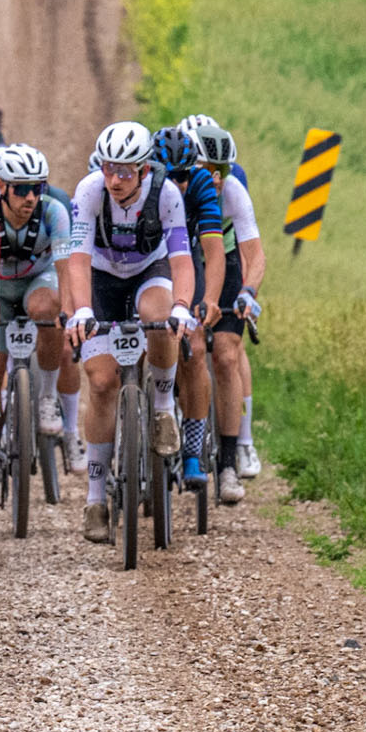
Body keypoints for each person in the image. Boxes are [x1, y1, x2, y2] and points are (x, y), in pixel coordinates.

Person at [64, 121, 196, 545]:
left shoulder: (167, 194)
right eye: (109, 169)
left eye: (125, 172)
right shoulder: (88, 191)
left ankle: (161, 408)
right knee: (101, 382)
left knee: (158, 314)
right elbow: (78, 261)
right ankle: (96, 498)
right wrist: (82, 310)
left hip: (149, 271)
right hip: (101, 280)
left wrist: (181, 308)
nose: (115, 180)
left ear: (143, 170)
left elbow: (180, 261)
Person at [0, 144, 81, 498]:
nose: (30, 197)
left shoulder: (54, 211)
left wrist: (70, 312)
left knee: (47, 310)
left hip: (40, 280)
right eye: (21, 189)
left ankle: (48, 396)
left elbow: (67, 270)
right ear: (2, 187)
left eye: (37, 188)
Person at [194, 122, 265, 504]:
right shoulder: (174, 188)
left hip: (227, 258)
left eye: (223, 170)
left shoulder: (232, 188)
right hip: (186, 258)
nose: (216, 179)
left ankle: (226, 463)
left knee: (225, 354)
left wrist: (248, 292)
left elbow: (255, 254)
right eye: (208, 170)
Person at [152, 126, 226, 490]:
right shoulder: (143, 184)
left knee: (194, 349)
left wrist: (210, 299)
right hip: (145, 264)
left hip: (185, 262)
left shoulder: (199, 184)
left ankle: (193, 451)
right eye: (170, 176)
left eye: (183, 175)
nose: (178, 185)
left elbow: (213, 251)